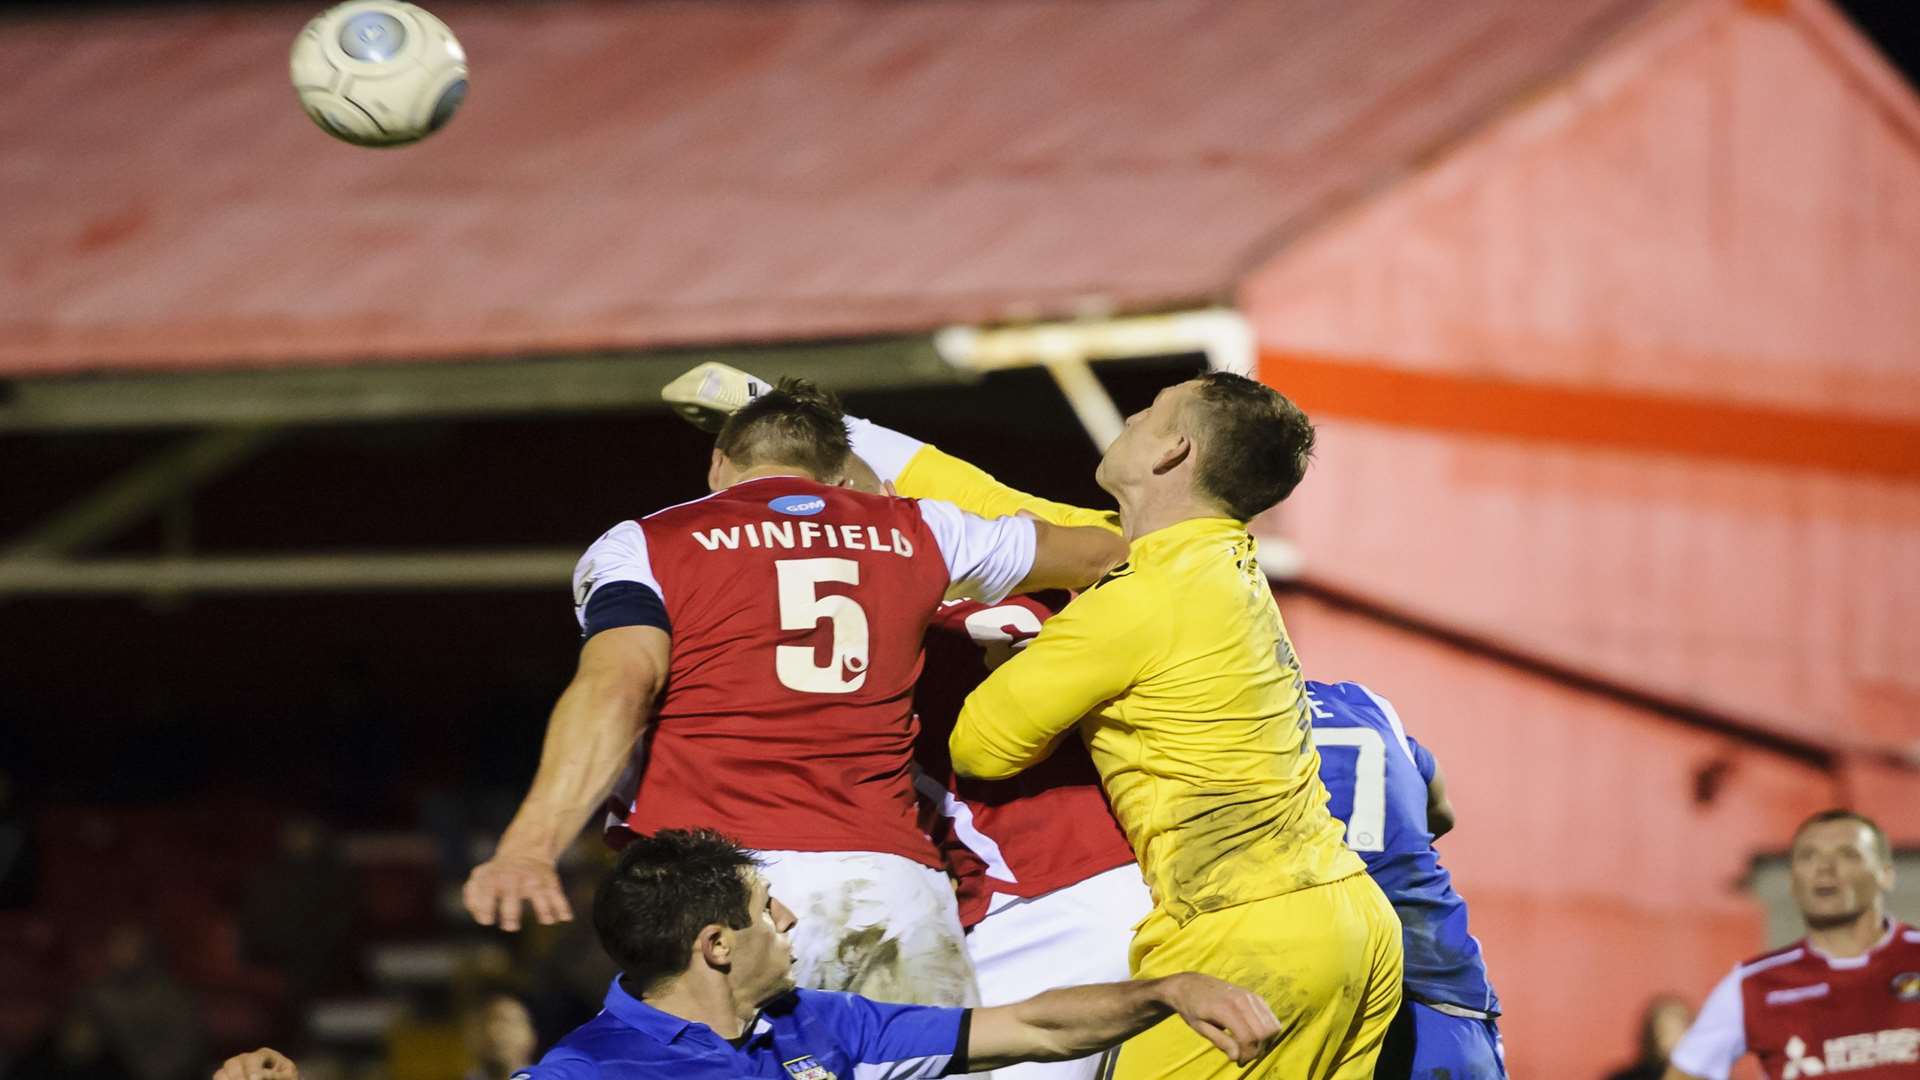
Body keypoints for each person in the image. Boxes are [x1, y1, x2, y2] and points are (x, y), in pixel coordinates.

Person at [665, 362, 1403, 1079]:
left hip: (1226, 926)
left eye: (1149, 411)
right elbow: (979, 496)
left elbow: (983, 746)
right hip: (1349, 919)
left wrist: (1016, 648)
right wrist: (810, 420)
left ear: (1175, 450)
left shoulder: (1132, 595)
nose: (1133, 417)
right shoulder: (1188, 557)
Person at [462, 378, 1125, 1009]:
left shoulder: (645, 543)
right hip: (887, 887)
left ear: (719, 464)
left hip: (718, 887)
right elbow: (1103, 554)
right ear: (839, 475)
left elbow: (617, 687)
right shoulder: (924, 528)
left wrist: (529, 845)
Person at [1304, 680, 1504, 1080]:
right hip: (1435, 976)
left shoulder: (1225, 714)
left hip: (1319, 982)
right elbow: (1441, 812)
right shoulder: (1365, 703)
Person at [1665, 809, 1918, 1080]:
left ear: (1886, 874)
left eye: (1847, 854)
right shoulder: (1753, 985)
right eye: (1809, 856)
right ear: (1792, 880)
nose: (1825, 868)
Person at [1604, 995, 1693, 1080]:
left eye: (1672, 1030)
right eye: (1662, 1030)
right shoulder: (1624, 1077)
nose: (1664, 1039)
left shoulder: (1698, 1076)